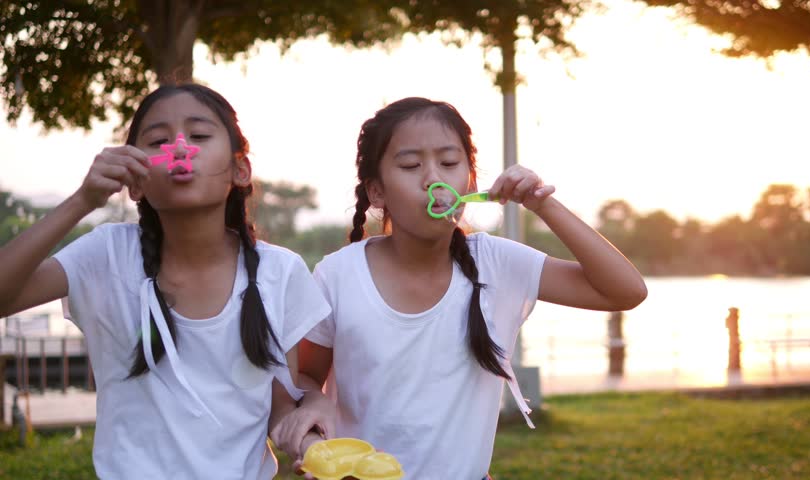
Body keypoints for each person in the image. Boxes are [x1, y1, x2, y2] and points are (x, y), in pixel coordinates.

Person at [274, 97, 648, 479]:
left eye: (449, 163)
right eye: (410, 165)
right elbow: (304, 376)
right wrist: (314, 403)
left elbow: (626, 291)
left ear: (469, 180)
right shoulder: (339, 275)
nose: (433, 179)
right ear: (377, 192)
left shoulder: (497, 263)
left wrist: (543, 205)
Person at [0, 84, 330, 479]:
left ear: (240, 170)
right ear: (135, 182)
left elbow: (276, 405)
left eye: (199, 136)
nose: (178, 148)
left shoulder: (281, 273)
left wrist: (308, 438)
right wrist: (82, 201)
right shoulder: (106, 255)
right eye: (158, 140)